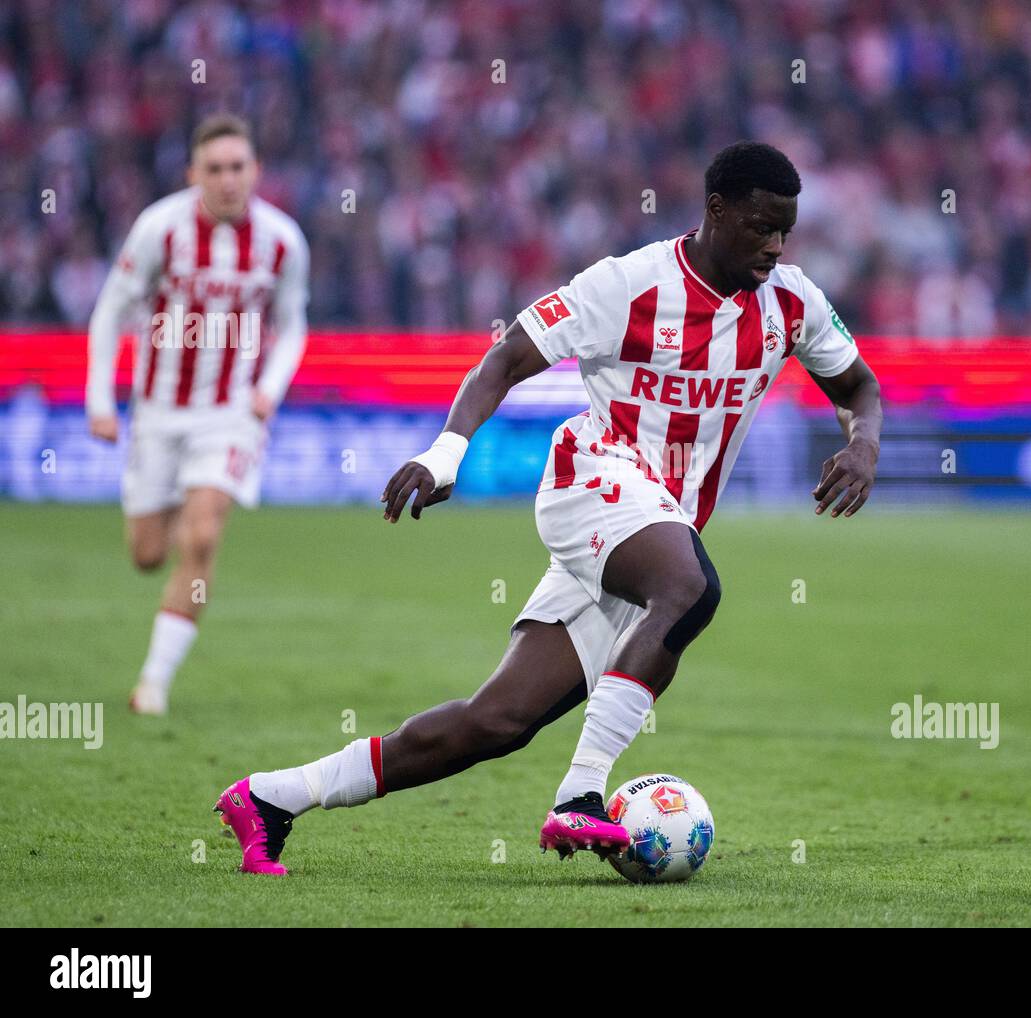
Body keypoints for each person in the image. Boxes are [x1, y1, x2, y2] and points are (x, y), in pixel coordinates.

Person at [214, 141, 881, 875]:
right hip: (592, 482)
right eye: (761, 226)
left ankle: (272, 797)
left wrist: (863, 446)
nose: (775, 246)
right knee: (691, 589)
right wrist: (447, 453)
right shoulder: (626, 285)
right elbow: (505, 359)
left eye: (786, 229)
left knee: (495, 722)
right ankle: (582, 794)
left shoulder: (794, 301)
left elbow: (859, 389)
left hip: (655, 530)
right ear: (716, 210)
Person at [86, 113, 309, 715]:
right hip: (157, 410)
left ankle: (152, 684)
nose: (228, 179)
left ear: (255, 170)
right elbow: (111, 311)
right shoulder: (159, 228)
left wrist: (270, 387)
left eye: (238, 167)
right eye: (215, 168)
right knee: (147, 554)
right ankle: (175, 522)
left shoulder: (282, 240)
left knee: (204, 533)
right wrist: (100, 401)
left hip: (231, 412)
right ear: (193, 174)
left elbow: (292, 324)